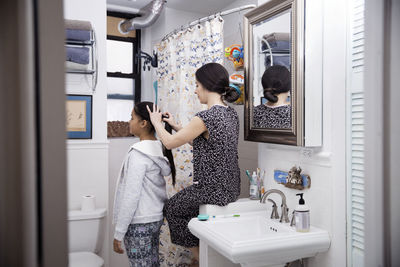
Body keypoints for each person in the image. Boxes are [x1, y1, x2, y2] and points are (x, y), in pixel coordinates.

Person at [147, 62, 241, 266]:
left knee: (172, 208)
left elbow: (170, 142)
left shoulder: (205, 116)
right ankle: (204, 254)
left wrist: (156, 123)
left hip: (212, 188)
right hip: (231, 187)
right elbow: (201, 140)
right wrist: (175, 125)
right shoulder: (230, 113)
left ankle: (201, 258)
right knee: (187, 211)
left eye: (197, 85)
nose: (195, 90)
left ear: (207, 85)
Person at [112, 102, 176, 267]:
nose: (129, 122)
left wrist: (119, 233)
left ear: (143, 123)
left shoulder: (138, 154)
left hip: (139, 221)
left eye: (132, 118)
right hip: (154, 219)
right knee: (152, 263)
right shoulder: (158, 149)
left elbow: (131, 195)